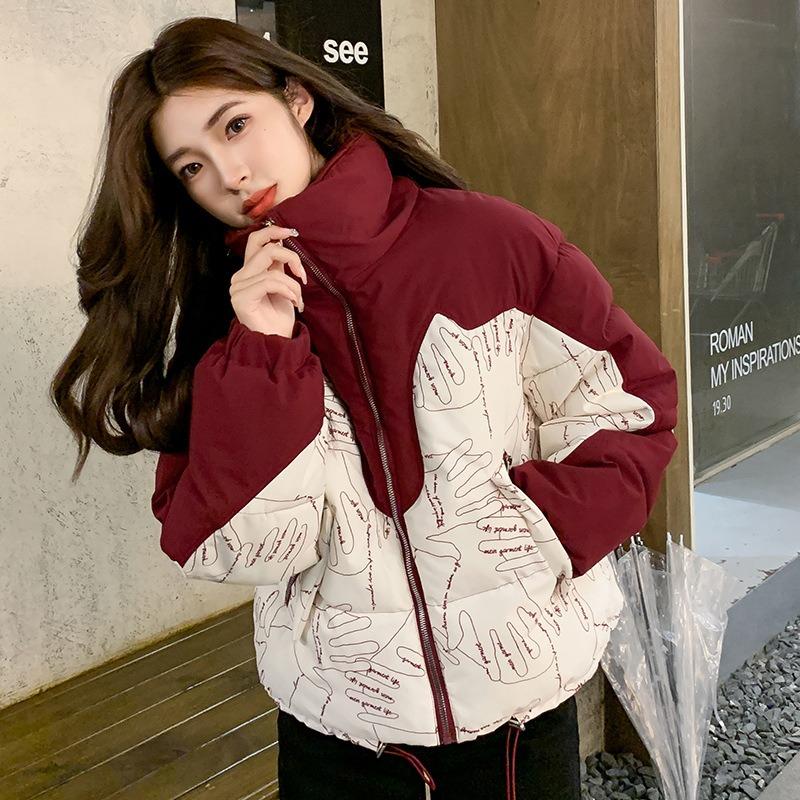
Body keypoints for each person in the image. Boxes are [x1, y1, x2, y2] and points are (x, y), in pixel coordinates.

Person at [50, 16, 679, 800]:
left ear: (297, 98)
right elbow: (238, 548)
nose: (230, 176)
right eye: (192, 168)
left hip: (521, 720)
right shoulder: (231, 326)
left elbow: (629, 407)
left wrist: (530, 538)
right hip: (340, 737)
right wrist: (264, 353)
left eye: (235, 125)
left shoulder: (491, 241)